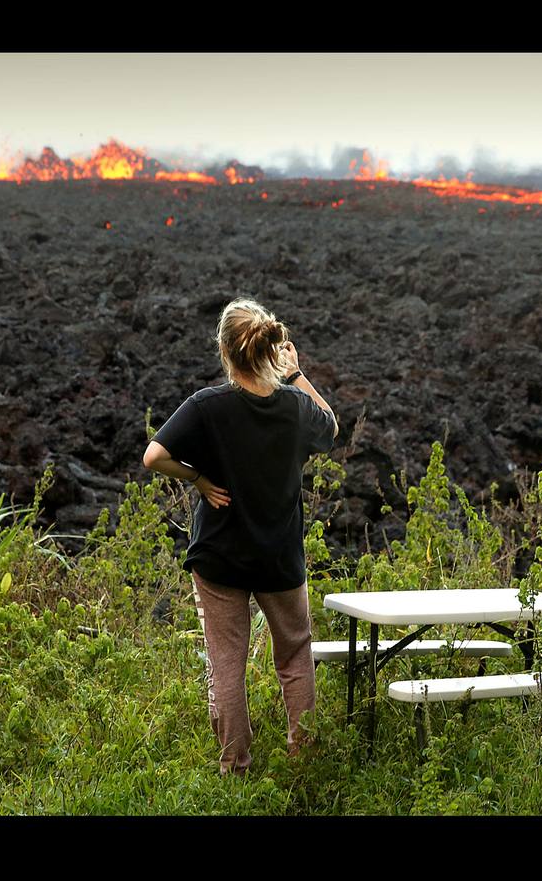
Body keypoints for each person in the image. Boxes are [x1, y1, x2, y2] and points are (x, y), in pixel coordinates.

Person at [142, 297, 339, 777]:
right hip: (279, 557)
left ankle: (236, 765)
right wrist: (295, 374)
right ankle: (303, 761)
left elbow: (153, 457)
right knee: (295, 654)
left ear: (226, 352)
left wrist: (197, 480)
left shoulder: (208, 406)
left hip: (221, 557)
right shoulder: (294, 406)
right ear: (272, 349)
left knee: (225, 661)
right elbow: (330, 427)